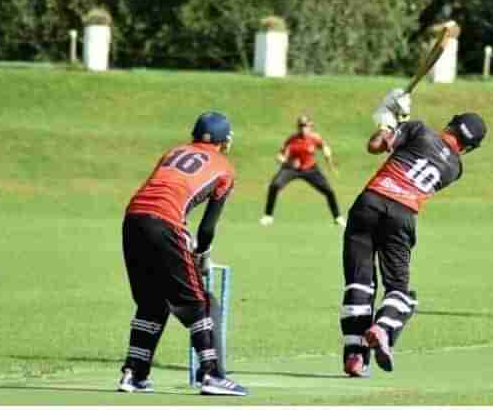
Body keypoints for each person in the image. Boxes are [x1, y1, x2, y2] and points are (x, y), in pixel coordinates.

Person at [339, 88, 487, 377]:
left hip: (369, 202)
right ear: (469, 147)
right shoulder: (455, 169)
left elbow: (375, 145)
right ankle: (383, 327)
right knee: (400, 292)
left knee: (359, 285)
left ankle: (355, 357)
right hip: (403, 214)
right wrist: (401, 121)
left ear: (450, 124)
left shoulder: (419, 129)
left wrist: (388, 120)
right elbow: (426, 153)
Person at [118, 111, 247, 396]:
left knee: (151, 301)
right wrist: (202, 253)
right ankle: (212, 375)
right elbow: (208, 227)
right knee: (197, 301)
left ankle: (133, 374)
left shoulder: (173, 152)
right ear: (225, 141)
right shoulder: (224, 168)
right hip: (166, 224)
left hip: (133, 219)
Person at [259, 115, 346, 227]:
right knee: (274, 185)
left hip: (310, 168)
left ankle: (338, 217)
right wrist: (286, 161)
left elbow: (323, 146)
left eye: (305, 125)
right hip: (291, 168)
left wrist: (326, 152)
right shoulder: (292, 140)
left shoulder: (315, 138)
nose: (303, 128)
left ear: (310, 126)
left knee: (329, 191)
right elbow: (280, 156)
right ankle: (268, 216)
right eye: (300, 126)